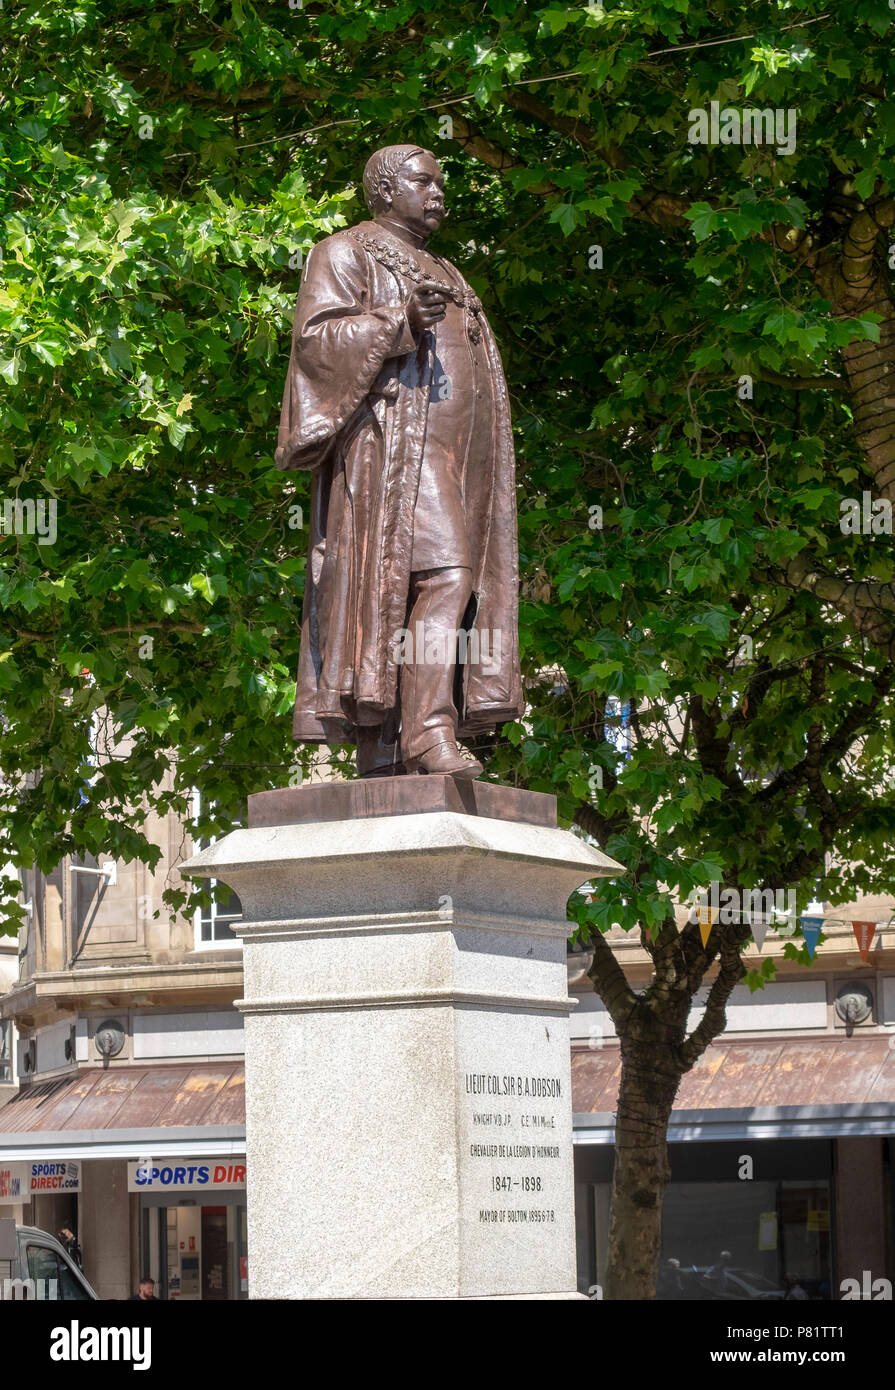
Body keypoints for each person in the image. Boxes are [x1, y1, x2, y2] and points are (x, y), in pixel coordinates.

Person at [276, 144, 523, 778]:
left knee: (425, 585)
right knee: (445, 575)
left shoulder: (448, 268)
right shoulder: (345, 251)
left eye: (442, 183)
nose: (439, 193)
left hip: (462, 456)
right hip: (392, 446)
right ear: (386, 189)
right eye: (424, 182)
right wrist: (394, 321)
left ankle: (385, 746)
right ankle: (428, 731)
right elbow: (314, 341)